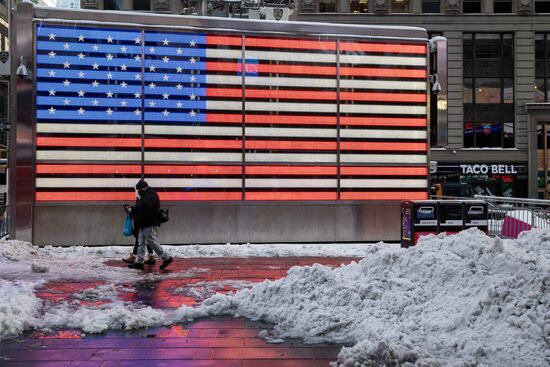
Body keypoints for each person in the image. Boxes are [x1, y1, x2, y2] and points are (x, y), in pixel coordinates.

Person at [123, 179, 173, 270]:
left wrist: (133, 209)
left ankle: (167, 258)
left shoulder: (151, 194)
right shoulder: (146, 195)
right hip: (143, 222)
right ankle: (139, 262)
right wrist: (132, 209)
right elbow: (141, 206)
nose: (138, 192)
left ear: (143, 188)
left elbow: (145, 206)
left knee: (151, 241)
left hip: (149, 222)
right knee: (140, 242)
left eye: (139, 190)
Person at [122, 193, 156, 265]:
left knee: (141, 239)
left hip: (143, 222)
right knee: (145, 239)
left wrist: (131, 209)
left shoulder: (143, 198)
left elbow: (139, 210)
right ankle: (151, 256)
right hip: (143, 222)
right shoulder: (143, 198)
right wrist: (130, 208)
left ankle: (135, 257)